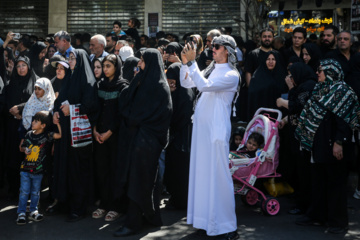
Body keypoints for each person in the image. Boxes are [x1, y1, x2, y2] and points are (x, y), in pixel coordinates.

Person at [180, 35, 240, 239]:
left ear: (228, 51)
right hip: (201, 130)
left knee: (219, 177)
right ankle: (205, 220)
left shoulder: (232, 74)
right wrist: (184, 63)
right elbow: (187, 83)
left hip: (216, 131)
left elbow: (204, 86)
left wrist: (191, 62)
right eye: (212, 45)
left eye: (217, 46)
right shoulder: (210, 69)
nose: (212, 48)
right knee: (202, 174)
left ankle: (227, 226)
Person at [294, 59, 360, 234]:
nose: (318, 73)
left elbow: (345, 121)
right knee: (318, 182)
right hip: (319, 145)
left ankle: (338, 222)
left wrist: (339, 142)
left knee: (336, 185)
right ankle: (318, 216)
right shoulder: (320, 89)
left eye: (321, 70)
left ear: (331, 73)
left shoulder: (342, 92)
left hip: (334, 146)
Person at [113, 49, 172, 237]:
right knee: (140, 181)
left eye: (143, 60)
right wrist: (136, 81)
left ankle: (134, 223)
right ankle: (146, 217)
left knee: (139, 182)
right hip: (139, 142)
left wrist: (136, 120)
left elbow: (153, 115)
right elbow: (125, 102)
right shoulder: (145, 82)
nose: (139, 63)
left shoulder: (159, 87)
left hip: (147, 144)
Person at [51, 49, 98, 221]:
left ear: (80, 61)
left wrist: (72, 109)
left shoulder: (88, 81)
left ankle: (78, 207)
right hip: (65, 132)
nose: (70, 62)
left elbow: (91, 106)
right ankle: (64, 203)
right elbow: (59, 101)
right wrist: (56, 112)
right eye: (69, 58)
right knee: (65, 167)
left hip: (79, 136)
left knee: (78, 170)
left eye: (73, 59)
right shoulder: (69, 79)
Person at [276, 62, 317, 215]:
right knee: (299, 170)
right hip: (296, 135)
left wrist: (285, 99)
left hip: (305, 137)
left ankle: (305, 206)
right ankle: (301, 202)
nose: (289, 78)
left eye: (292, 75)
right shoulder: (302, 85)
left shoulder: (308, 86)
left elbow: (299, 106)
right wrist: (285, 120)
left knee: (305, 173)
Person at [92, 54, 128, 221]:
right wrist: (95, 130)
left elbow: (122, 114)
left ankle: (116, 206)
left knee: (115, 170)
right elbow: (95, 110)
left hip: (115, 137)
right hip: (99, 136)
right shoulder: (99, 85)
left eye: (108, 66)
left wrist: (109, 132)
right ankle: (104, 204)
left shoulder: (122, 86)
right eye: (103, 66)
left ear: (116, 67)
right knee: (101, 171)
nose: (105, 69)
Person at [17, 111, 62, 225]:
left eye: (36, 121)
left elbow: (60, 135)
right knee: (24, 191)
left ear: (43, 125)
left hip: (38, 171)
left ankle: (33, 211)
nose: (33, 122)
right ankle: (21, 213)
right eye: (33, 120)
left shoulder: (47, 136)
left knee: (36, 192)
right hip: (25, 170)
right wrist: (25, 149)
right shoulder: (28, 134)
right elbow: (22, 147)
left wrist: (57, 123)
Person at [4, 56, 39, 199]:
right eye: (18, 66)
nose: (21, 68)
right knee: (14, 156)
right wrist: (14, 114)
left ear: (29, 66)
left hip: (30, 127)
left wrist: (21, 111)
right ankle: (15, 189)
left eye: (24, 65)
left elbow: (36, 101)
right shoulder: (11, 83)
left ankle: (30, 191)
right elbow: (7, 101)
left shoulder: (35, 83)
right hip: (13, 126)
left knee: (29, 157)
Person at [163, 62, 195, 210]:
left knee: (182, 170)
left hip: (183, 136)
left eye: (172, 77)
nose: (170, 81)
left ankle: (183, 201)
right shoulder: (172, 92)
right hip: (175, 137)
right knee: (173, 169)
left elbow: (183, 114)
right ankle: (176, 197)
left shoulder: (185, 92)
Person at [247, 51, 287, 121]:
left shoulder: (282, 76)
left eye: (273, 59)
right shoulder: (257, 76)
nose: (270, 62)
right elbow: (253, 97)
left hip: (278, 115)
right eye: (268, 59)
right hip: (261, 115)